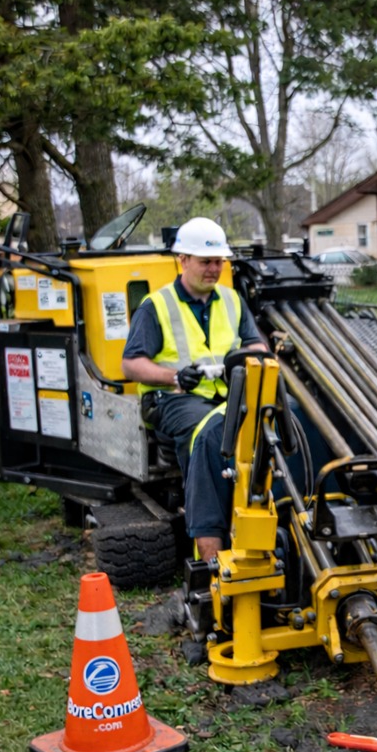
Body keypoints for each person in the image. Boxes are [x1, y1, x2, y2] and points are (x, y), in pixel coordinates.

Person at [121, 217, 266, 561]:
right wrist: (173, 376)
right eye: (206, 261)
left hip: (226, 396)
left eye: (219, 262)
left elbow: (255, 346)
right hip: (173, 398)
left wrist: (250, 363)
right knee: (209, 434)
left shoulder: (232, 301)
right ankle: (209, 543)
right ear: (183, 260)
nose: (214, 269)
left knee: (275, 415)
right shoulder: (156, 306)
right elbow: (131, 364)